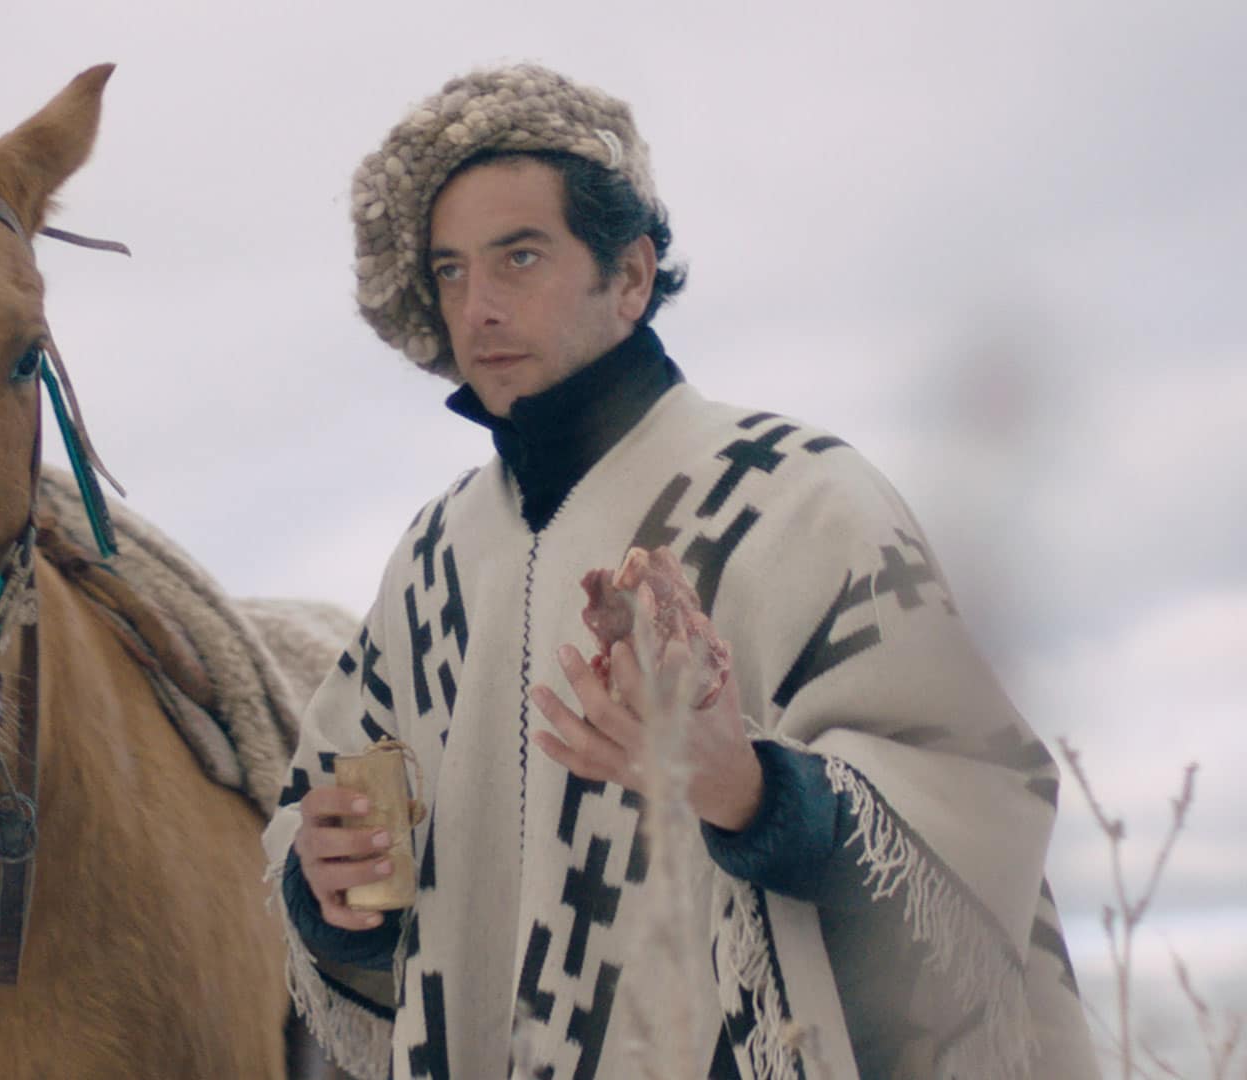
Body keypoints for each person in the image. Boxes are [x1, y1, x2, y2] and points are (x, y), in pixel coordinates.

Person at [260, 65, 1096, 1079]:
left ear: (631, 275)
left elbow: (985, 800)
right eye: (449, 271)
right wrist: (327, 887)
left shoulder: (803, 499)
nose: (477, 308)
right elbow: (338, 854)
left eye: (519, 257)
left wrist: (751, 790)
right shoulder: (431, 562)